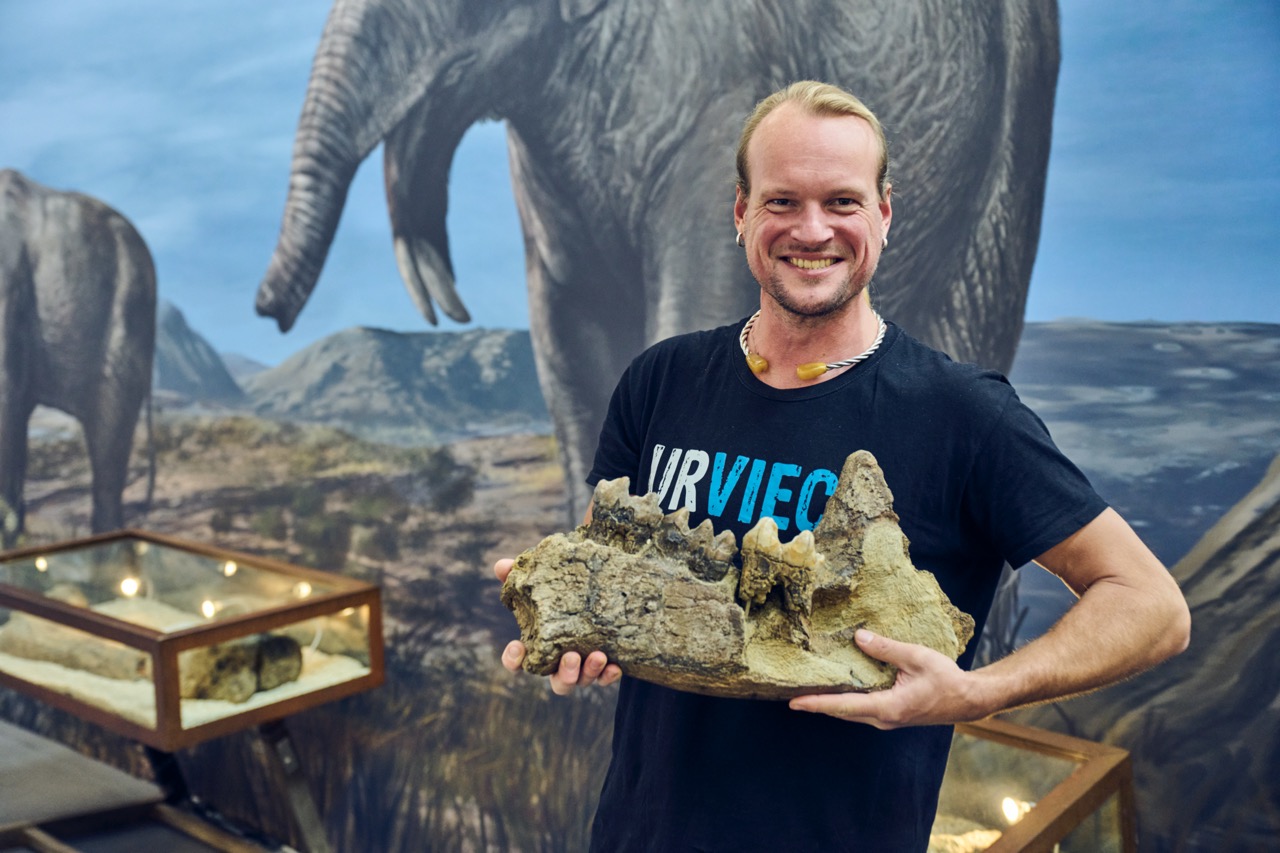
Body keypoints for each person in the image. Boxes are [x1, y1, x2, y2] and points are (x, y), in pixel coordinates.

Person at [494, 81, 1190, 852]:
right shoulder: (659, 380)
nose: (812, 229)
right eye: (782, 201)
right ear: (741, 212)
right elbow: (604, 557)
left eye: (842, 202)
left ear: (884, 214)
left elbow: (1153, 605)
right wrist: (579, 630)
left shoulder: (966, 414)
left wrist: (976, 692)